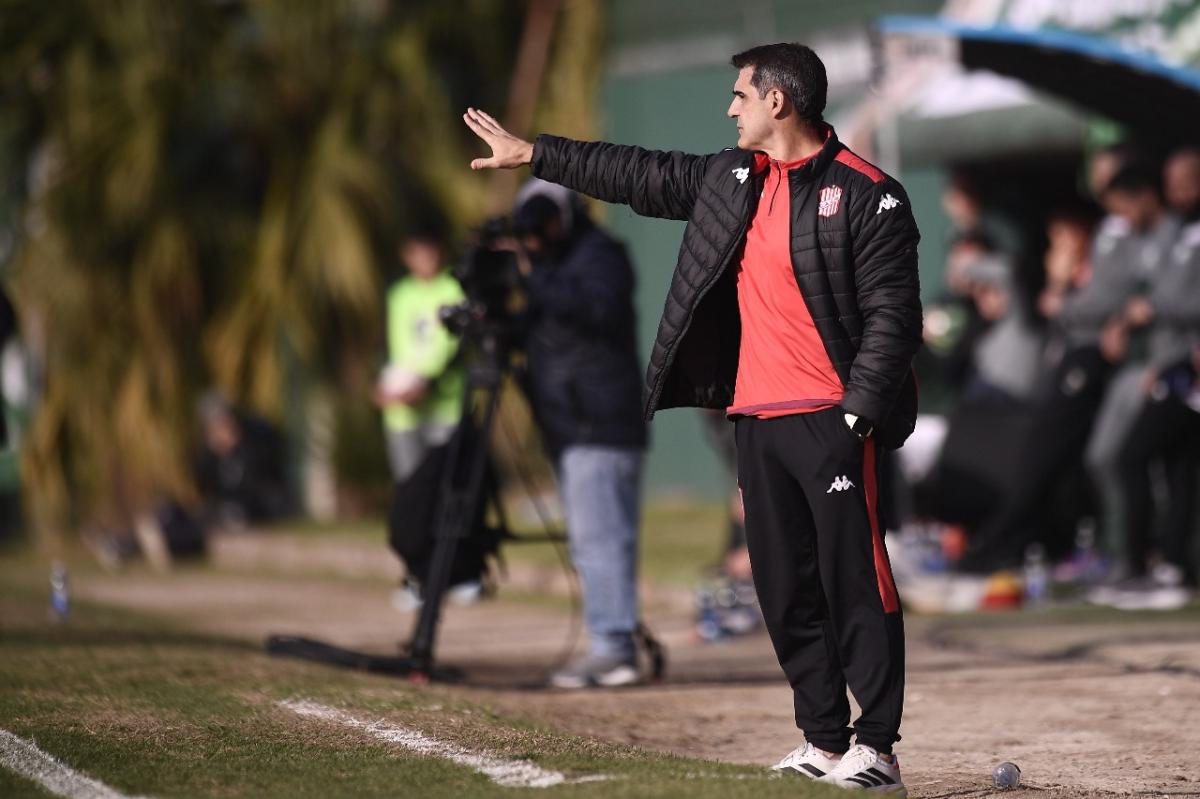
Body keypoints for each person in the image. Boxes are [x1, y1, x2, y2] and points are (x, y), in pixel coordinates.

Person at [465, 41, 920, 793]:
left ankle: (877, 749)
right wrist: (534, 153)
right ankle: (822, 739)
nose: (730, 107)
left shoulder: (871, 194)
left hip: (832, 421)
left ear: (778, 101)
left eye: (741, 94)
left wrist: (856, 419)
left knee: (855, 583)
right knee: (783, 589)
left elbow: (894, 320)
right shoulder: (729, 179)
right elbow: (635, 173)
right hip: (754, 421)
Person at [510, 179, 649, 689]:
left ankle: (612, 650)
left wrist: (533, 275)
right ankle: (611, 643)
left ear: (569, 214)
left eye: (546, 221)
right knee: (593, 541)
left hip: (599, 423)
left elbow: (595, 309)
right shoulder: (552, 266)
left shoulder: (601, 256)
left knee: (601, 540)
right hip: (571, 425)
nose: (537, 234)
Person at [1101, 148, 1200, 609]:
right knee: (1179, 466)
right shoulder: (1178, 233)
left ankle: (1143, 563)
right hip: (1175, 364)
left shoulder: (1184, 234)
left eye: (1187, 179)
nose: (1178, 189)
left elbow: (1181, 301)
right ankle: (1172, 568)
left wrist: (1154, 309)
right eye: (1172, 180)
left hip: (1183, 367)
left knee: (1133, 455)